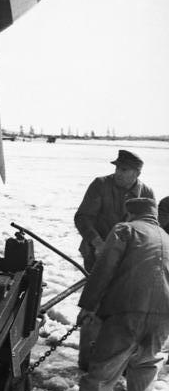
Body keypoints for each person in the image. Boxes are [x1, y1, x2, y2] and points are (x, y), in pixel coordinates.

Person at [63, 197, 168, 391]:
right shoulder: (170, 238)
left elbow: (104, 268)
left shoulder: (126, 229)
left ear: (130, 214)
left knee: (100, 377)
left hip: (126, 312)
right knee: (146, 365)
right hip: (166, 315)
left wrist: (88, 306)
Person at [74, 149, 155, 370]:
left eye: (124, 169)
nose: (118, 172)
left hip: (129, 261)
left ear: (136, 173)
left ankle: (117, 359)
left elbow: (150, 226)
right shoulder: (100, 185)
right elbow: (82, 217)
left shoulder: (146, 192)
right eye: (117, 168)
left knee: (123, 308)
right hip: (97, 255)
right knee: (95, 304)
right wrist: (97, 242)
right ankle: (87, 361)